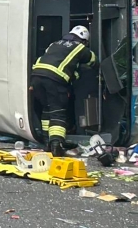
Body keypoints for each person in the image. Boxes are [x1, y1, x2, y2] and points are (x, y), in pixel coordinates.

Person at [30, 25, 98, 157]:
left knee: (47, 110)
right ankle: (57, 143)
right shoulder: (80, 47)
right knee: (58, 112)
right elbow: (93, 60)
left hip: (36, 77)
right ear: (84, 40)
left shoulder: (54, 44)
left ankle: (47, 142)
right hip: (54, 79)